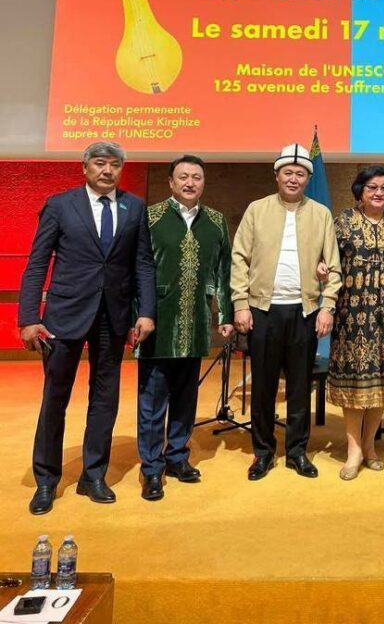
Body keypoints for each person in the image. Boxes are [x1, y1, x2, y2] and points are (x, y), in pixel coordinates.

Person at [18, 142, 156, 514]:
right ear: (85, 167)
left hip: (114, 317)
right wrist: (29, 317)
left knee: (105, 399)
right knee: (55, 398)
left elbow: (143, 264)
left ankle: (93, 475)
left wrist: (146, 312)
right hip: (64, 316)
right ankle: (46, 480)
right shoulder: (61, 205)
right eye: (99, 163)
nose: (107, 171)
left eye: (114, 165)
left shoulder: (134, 207)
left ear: (121, 169)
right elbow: (37, 262)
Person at [231, 143, 342, 481]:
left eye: (301, 174)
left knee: (299, 386)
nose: (294, 179)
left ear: (308, 178)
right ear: (277, 175)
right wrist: (240, 303)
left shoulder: (321, 214)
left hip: (304, 312)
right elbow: (239, 258)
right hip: (263, 310)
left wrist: (327, 306)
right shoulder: (257, 209)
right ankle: (263, 453)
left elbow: (334, 267)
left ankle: (297, 452)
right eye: (288, 173)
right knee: (263, 387)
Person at [137, 155, 234, 501]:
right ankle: (151, 468)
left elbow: (223, 271)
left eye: (196, 177)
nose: (190, 183)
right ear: (171, 182)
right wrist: (140, 314)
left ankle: (177, 457)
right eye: (183, 177)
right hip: (157, 323)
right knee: (152, 400)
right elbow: (138, 270)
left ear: (203, 183)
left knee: (185, 396)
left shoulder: (216, 221)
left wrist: (225, 315)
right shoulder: (151, 217)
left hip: (195, 322)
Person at [323, 166, 384, 480]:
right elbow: (327, 259)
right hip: (352, 316)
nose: (379, 193)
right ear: (360, 191)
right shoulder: (343, 222)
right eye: (372, 187)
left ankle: (370, 445)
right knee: (355, 383)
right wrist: (321, 269)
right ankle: (354, 450)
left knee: (382, 383)